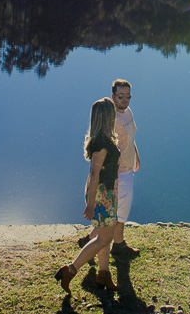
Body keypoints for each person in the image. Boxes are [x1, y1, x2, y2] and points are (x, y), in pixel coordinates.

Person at [55, 97, 120, 295]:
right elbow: (94, 173)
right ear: (108, 117)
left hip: (104, 193)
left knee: (103, 235)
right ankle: (70, 270)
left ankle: (103, 275)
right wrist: (91, 203)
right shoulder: (101, 142)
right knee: (104, 238)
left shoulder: (101, 139)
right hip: (102, 196)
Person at [79, 79, 142, 256]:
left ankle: (89, 241)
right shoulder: (110, 118)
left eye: (128, 96)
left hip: (128, 168)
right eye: (121, 96)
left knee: (117, 213)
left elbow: (130, 136)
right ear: (113, 95)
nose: (125, 100)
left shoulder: (127, 112)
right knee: (118, 214)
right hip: (118, 173)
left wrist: (136, 154)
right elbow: (105, 147)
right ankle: (118, 245)